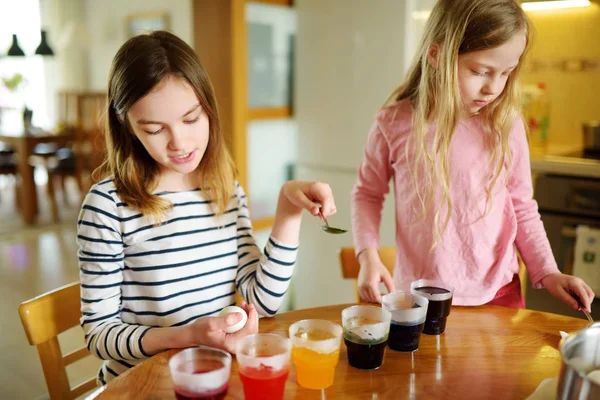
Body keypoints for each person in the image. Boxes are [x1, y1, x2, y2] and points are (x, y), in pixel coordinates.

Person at [78, 30, 337, 384]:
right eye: (155, 129)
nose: (180, 143)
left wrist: (288, 209)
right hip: (142, 386)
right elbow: (99, 336)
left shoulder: (223, 189)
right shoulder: (107, 205)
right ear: (128, 128)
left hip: (211, 378)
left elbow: (261, 301)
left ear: (209, 108)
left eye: (191, 119)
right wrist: (187, 336)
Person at [351, 0, 594, 312]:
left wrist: (548, 271)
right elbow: (367, 195)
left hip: (499, 293)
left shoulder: (506, 123)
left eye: (506, 73)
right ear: (437, 55)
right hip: (419, 295)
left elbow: (521, 206)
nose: (493, 88)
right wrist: (368, 256)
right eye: (480, 71)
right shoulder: (394, 122)